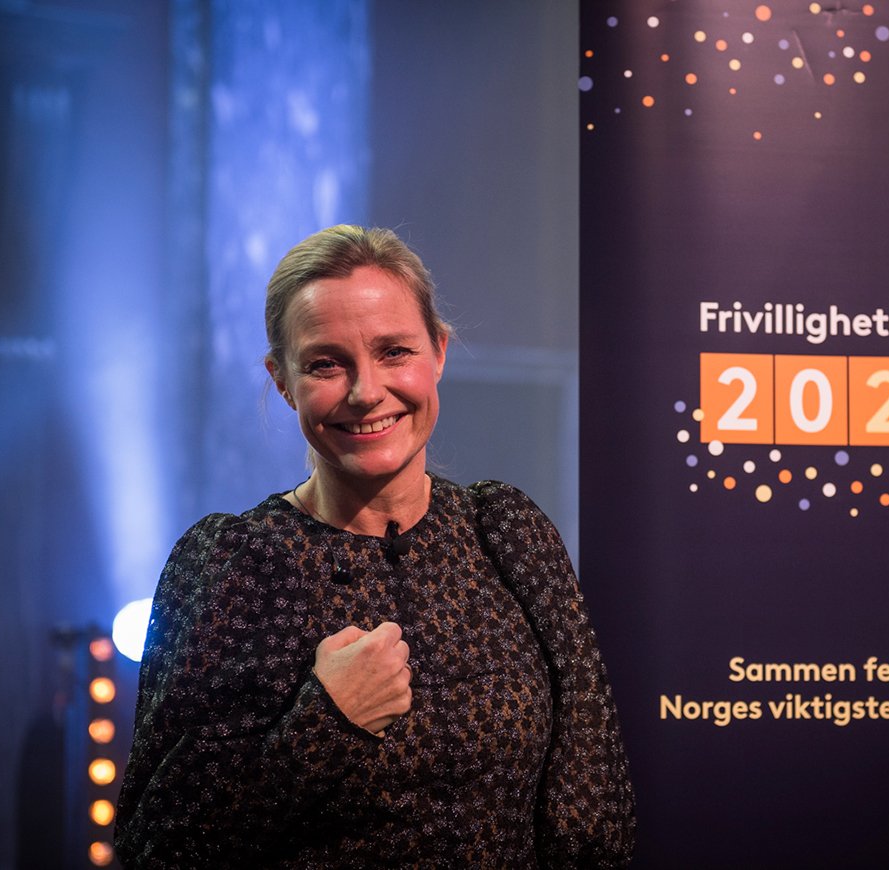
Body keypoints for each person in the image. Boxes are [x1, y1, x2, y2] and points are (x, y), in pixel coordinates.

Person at [114, 225, 636, 867]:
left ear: (438, 352)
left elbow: (595, 804)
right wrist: (325, 722)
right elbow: (157, 849)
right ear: (282, 381)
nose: (366, 392)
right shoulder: (232, 564)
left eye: (394, 352)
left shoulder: (506, 532)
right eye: (325, 364)